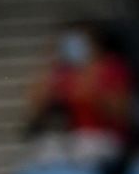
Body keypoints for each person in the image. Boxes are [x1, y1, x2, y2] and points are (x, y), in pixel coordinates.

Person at [26, 23, 133, 165]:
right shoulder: (65, 72)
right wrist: (49, 65)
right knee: (43, 152)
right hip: (75, 138)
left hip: (108, 138)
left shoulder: (112, 67)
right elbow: (35, 108)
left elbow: (122, 113)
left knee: (84, 151)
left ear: (94, 42)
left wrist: (92, 90)